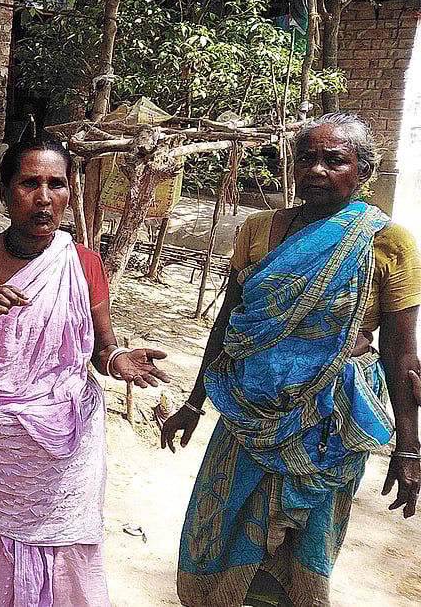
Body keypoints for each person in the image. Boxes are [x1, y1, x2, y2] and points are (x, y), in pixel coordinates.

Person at [160, 113, 421, 607]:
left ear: (363, 172)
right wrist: (194, 405)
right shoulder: (257, 231)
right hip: (246, 413)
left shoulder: (389, 243)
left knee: (306, 540)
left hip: (330, 420)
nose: (317, 170)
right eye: (306, 158)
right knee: (221, 528)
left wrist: (409, 447)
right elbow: (226, 326)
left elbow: (401, 352)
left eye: (334, 160)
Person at [0, 135, 169, 605]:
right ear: (5, 192)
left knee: (59, 546)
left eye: (56, 184)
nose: (44, 197)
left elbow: (100, 348)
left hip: (64, 444)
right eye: (30, 183)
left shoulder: (83, 262)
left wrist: (117, 361)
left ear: (70, 193)